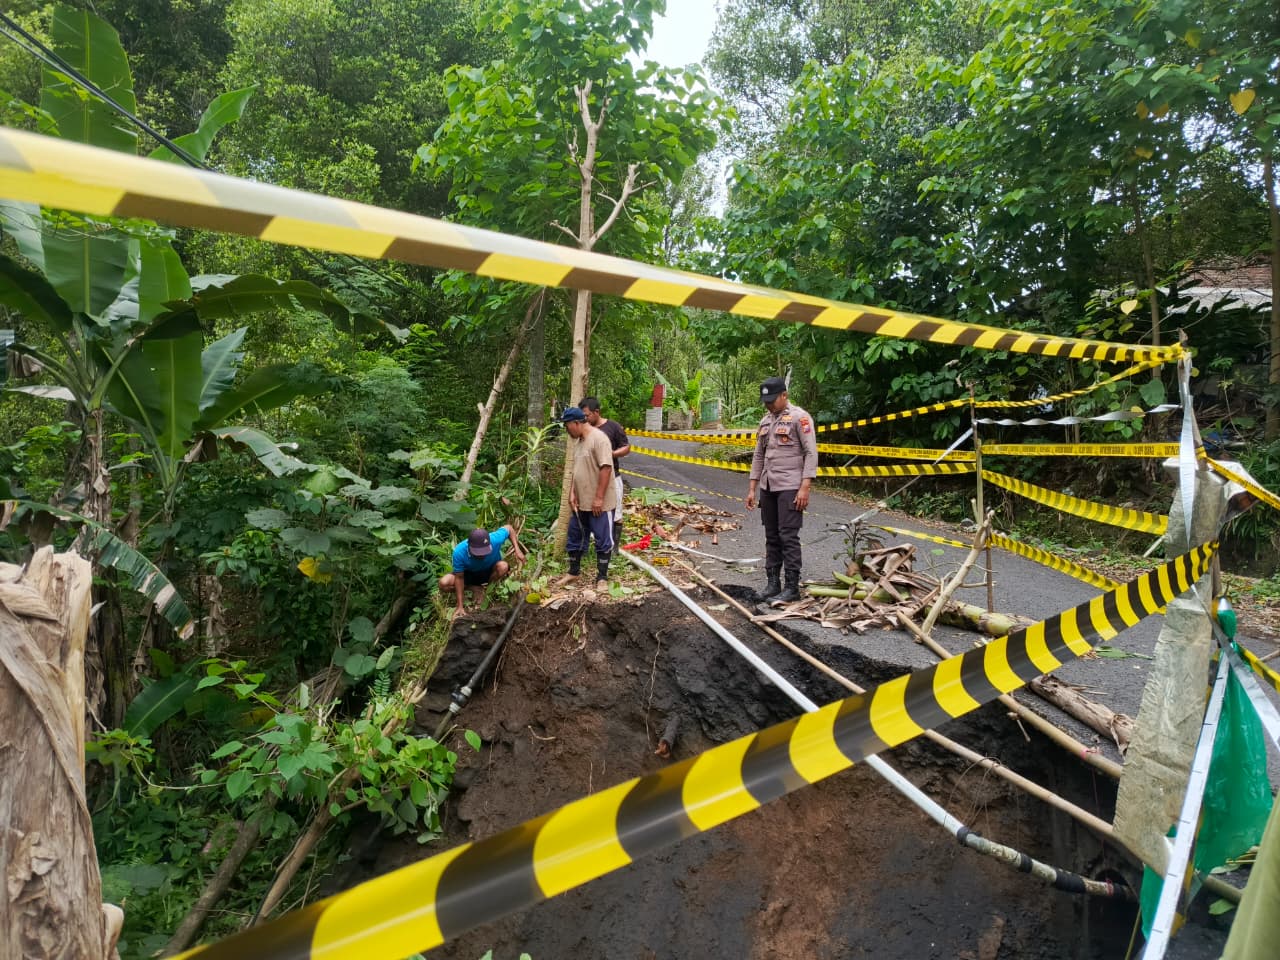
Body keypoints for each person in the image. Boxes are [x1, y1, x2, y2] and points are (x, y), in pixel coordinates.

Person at [745, 376, 818, 605]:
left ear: (784, 395)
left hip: (790, 486)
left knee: (788, 536)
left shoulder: (800, 418)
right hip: (768, 486)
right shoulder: (765, 421)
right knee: (772, 535)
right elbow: (759, 455)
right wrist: (752, 488)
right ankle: (773, 584)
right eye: (765, 401)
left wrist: (805, 487)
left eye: (772, 400)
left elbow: (811, 453)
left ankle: (791, 587)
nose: (768, 405)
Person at [559, 405, 617, 587]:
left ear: (576, 423)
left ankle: (602, 577)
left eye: (567, 425)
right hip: (581, 502)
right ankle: (573, 572)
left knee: (602, 539)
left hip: (599, 503)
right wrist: (572, 493)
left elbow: (606, 468)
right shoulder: (578, 443)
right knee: (575, 535)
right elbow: (576, 471)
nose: (566, 430)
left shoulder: (599, 439)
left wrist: (599, 498)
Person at [439, 524, 525, 616]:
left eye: (484, 552)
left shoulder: (495, 539)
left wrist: (517, 549)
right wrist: (460, 606)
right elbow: (459, 577)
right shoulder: (459, 552)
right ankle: (474, 588)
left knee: (503, 566)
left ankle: (487, 591)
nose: (482, 555)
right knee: (444, 583)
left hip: (489, 572)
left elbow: (509, 528)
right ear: (469, 546)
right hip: (468, 575)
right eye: (478, 553)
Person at [579, 396, 630, 545]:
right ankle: (596, 542)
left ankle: (614, 547)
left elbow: (626, 447)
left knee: (616, 512)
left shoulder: (613, 427)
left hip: (612, 477)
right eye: (583, 416)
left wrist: (611, 454)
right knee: (591, 511)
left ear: (596, 412)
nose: (585, 419)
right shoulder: (584, 429)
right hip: (590, 479)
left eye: (587, 415)